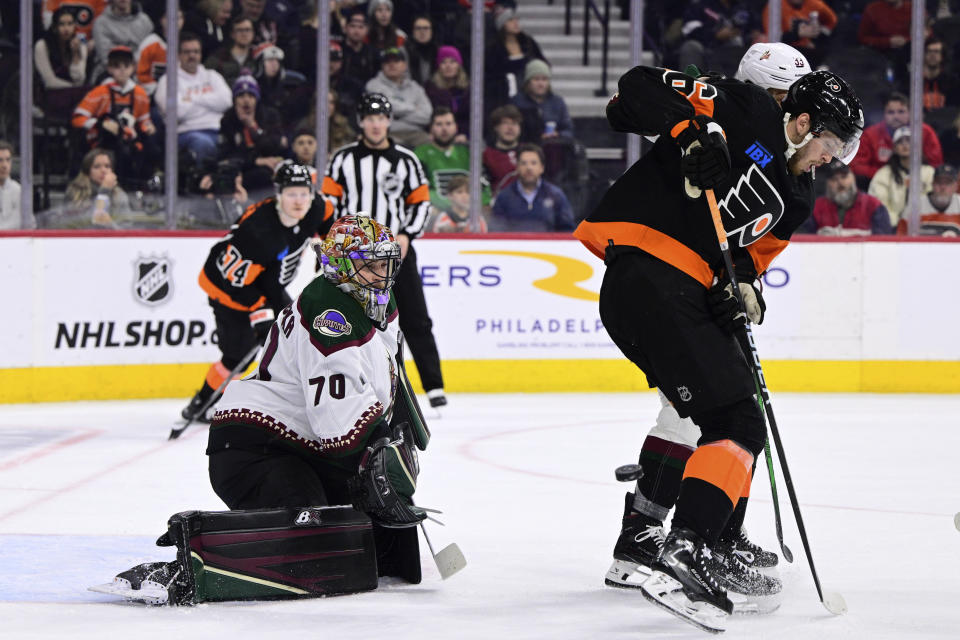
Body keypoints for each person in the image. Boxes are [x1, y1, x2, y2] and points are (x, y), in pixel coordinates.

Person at [575, 66, 863, 632]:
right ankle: (690, 550)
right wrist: (691, 134)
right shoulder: (747, 109)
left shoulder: (798, 195)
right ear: (802, 123)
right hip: (649, 276)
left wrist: (744, 288)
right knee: (735, 418)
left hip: (676, 296)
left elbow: (748, 259)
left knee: (732, 419)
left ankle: (683, 544)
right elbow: (636, 85)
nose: (832, 160)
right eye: (831, 144)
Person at [98, 215, 431, 605]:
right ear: (342, 265)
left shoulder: (375, 298)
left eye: (386, 263)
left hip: (302, 447)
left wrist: (395, 436)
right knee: (316, 543)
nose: (384, 273)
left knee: (384, 551)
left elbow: (384, 374)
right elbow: (338, 431)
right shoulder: (329, 315)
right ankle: (190, 567)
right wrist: (379, 452)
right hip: (255, 449)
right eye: (372, 264)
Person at [181, 162, 334, 422]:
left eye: (303, 193)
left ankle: (300, 402)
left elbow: (328, 220)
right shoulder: (258, 232)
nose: (299, 201)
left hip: (270, 282)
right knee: (237, 355)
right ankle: (201, 402)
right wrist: (261, 315)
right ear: (278, 195)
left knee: (298, 336)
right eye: (291, 194)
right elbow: (240, 284)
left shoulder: (316, 205)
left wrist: (326, 249)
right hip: (228, 288)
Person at [322, 93, 447, 408]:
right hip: (355, 256)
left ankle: (434, 387)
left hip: (396, 252)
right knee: (352, 318)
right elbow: (329, 205)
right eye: (370, 118)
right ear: (361, 122)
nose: (376, 124)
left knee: (415, 317)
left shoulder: (406, 159)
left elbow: (420, 202)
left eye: (381, 118)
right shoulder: (342, 160)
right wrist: (336, 242)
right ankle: (355, 381)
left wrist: (406, 235)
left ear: (388, 121)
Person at [71, 46, 156, 185]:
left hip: (131, 140)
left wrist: (148, 127)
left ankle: (145, 186)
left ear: (133, 68)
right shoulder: (100, 92)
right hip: (102, 141)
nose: (122, 70)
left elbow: (144, 121)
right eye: (117, 66)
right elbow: (77, 118)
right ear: (109, 69)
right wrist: (100, 124)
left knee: (152, 146)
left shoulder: (140, 94)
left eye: (126, 65)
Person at [155, 32, 233, 167]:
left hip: (219, 130)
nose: (192, 56)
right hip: (186, 134)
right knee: (202, 143)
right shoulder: (169, 80)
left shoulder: (212, 76)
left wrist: (191, 99)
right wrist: (211, 105)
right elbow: (175, 112)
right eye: (187, 52)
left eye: (196, 52)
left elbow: (227, 102)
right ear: (179, 55)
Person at [850, 92, 943, 186]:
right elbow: (857, 166)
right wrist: (887, 176)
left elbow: (935, 164)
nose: (896, 117)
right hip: (881, 183)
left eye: (901, 111)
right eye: (891, 112)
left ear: (910, 113)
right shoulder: (870, 135)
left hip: (918, 183)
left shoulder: (924, 132)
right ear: (884, 114)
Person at [218, 74, 287, 197]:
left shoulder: (270, 116)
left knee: (265, 175)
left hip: (270, 168)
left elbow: (273, 147)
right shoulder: (228, 120)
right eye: (241, 96)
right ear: (234, 100)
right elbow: (227, 154)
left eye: (250, 95)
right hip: (242, 169)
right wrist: (256, 161)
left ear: (257, 99)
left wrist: (253, 127)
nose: (246, 100)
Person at [415, 107, 489, 212]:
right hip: (437, 211)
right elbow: (420, 188)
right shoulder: (421, 153)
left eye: (448, 124)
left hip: (470, 210)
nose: (444, 129)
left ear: (456, 127)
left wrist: (477, 204)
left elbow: (485, 186)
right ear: (431, 129)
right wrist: (454, 206)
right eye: (439, 124)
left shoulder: (468, 152)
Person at [490, 143, 574, 232]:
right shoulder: (504, 197)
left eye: (533, 163)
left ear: (542, 168)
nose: (529, 167)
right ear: (517, 167)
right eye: (523, 163)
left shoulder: (556, 195)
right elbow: (496, 232)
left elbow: (568, 230)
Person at [798, 159, 893, 235]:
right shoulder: (816, 208)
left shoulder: (873, 205)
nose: (840, 183)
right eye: (834, 179)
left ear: (853, 177)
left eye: (844, 177)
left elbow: (883, 241)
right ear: (827, 184)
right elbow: (803, 238)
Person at [364, 47, 432, 149]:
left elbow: (426, 115)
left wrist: (396, 116)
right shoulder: (373, 85)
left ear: (404, 65)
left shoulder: (415, 87)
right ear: (382, 66)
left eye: (396, 61)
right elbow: (386, 107)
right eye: (387, 62)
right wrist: (413, 108)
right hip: (388, 132)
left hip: (416, 133)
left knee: (432, 147)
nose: (392, 65)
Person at [868, 126, 935, 226]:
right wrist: (899, 223)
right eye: (900, 142)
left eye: (909, 141)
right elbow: (879, 205)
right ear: (894, 148)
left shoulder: (929, 173)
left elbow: (933, 203)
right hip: (892, 229)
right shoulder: (883, 174)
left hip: (925, 226)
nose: (905, 145)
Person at [484, 7, 547, 110]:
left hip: (528, 88)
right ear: (502, 24)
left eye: (516, 20)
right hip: (504, 91)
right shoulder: (494, 47)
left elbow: (541, 62)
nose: (516, 23)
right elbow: (491, 72)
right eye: (510, 20)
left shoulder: (528, 42)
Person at [56, 148, 131, 228]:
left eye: (107, 166)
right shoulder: (75, 192)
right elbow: (88, 224)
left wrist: (110, 225)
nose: (103, 170)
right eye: (97, 166)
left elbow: (125, 230)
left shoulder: (119, 195)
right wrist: (104, 191)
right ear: (88, 171)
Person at [511, 59, 574, 141]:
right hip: (525, 146)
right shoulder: (517, 102)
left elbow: (569, 130)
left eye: (544, 79)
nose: (541, 84)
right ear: (528, 82)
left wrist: (558, 134)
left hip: (552, 145)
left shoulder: (558, 102)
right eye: (536, 79)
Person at [91, 0, 153, 82]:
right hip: (108, 73)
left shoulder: (145, 21)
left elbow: (150, 52)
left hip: (140, 72)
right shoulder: (101, 23)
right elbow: (106, 58)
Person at [762, 0, 837, 68]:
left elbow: (831, 20)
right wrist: (797, 34)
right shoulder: (776, 6)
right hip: (782, 51)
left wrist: (819, 33)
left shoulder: (814, 3)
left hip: (807, 50)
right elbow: (771, 39)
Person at [897, 163, 960, 234]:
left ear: (956, 187)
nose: (943, 187)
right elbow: (901, 236)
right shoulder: (915, 206)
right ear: (932, 184)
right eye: (939, 182)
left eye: (947, 183)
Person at [34, 6, 88, 89]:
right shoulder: (42, 46)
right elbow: (49, 82)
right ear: (55, 27)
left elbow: (79, 80)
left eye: (70, 24)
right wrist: (74, 88)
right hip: (50, 93)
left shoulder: (80, 46)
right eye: (62, 24)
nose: (66, 29)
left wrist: (75, 55)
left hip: (74, 93)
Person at [135, 4, 182, 96]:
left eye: (179, 18)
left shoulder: (186, 44)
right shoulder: (150, 43)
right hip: (152, 94)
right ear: (162, 20)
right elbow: (140, 75)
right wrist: (159, 91)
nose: (175, 21)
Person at [425, 45, 471, 137]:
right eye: (443, 62)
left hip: (464, 135)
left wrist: (464, 134)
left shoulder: (468, 89)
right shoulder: (430, 89)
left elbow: (472, 117)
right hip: (437, 134)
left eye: (452, 62)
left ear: (459, 65)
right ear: (439, 66)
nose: (448, 66)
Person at [204, 16, 256, 87]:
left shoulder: (257, 57)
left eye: (247, 30)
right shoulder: (217, 58)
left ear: (253, 33)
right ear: (232, 34)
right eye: (240, 30)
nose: (244, 34)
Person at [482, 104, 523, 195]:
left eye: (514, 123)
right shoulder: (486, 156)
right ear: (496, 127)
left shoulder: (529, 152)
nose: (510, 128)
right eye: (505, 123)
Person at [922, 37, 960, 113]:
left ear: (942, 56)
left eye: (936, 52)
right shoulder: (910, 81)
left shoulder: (953, 82)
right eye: (929, 51)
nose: (932, 55)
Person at [341, 10, 378, 85]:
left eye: (361, 27)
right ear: (345, 28)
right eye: (353, 26)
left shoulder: (373, 53)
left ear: (367, 30)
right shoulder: (338, 50)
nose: (356, 31)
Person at [0, 141, 27, 230]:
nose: (4, 165)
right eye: (0, 160)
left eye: (8, 160)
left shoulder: (19, 191)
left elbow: (29, 225)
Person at [405, 15, 438, 87]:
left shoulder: (438, 52)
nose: (422, 32)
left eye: (426, 28)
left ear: (432, 31)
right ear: (413, 31)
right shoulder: (404, 51)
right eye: (418, 28)